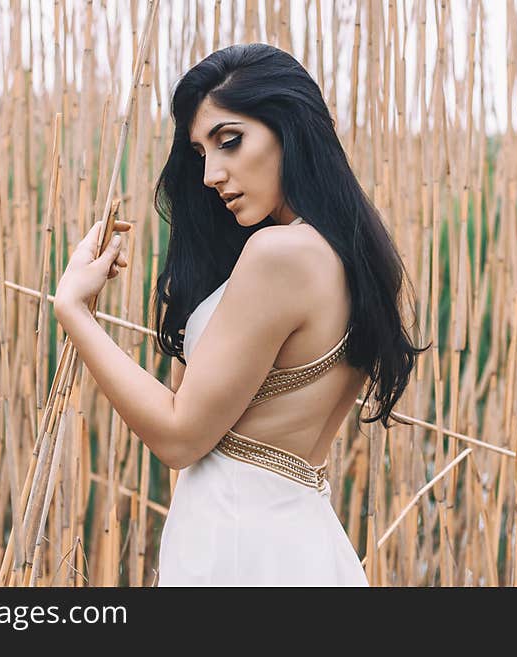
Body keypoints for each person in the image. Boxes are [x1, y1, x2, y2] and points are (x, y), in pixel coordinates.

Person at [53, 43, 429, 586]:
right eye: (201, 153)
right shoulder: (351, 255)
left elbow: (180, 437)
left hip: (239, 547)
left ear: (292, 129)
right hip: (294, 539)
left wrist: (74, 311)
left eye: (230, 141)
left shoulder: (280, 255)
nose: (210, 173)